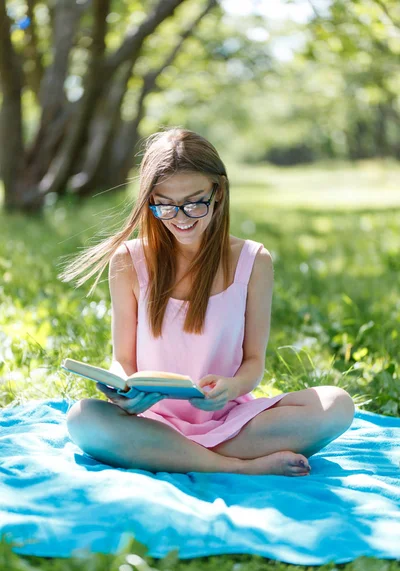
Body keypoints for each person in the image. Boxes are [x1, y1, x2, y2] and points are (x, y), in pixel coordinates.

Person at [62, 127, 355, 477]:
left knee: (337, 404)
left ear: (219, 191)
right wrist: (123, 391)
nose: (181, 218)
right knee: (82, 418)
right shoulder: (128, 260)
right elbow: (123, 359)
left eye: (194, 202)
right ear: (149, 199)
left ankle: (179, 456)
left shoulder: (253, 261)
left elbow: (253, 362)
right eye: (165, 205)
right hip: (151, 422)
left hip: (229, 422)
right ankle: (237, 467)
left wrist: (232, 387)